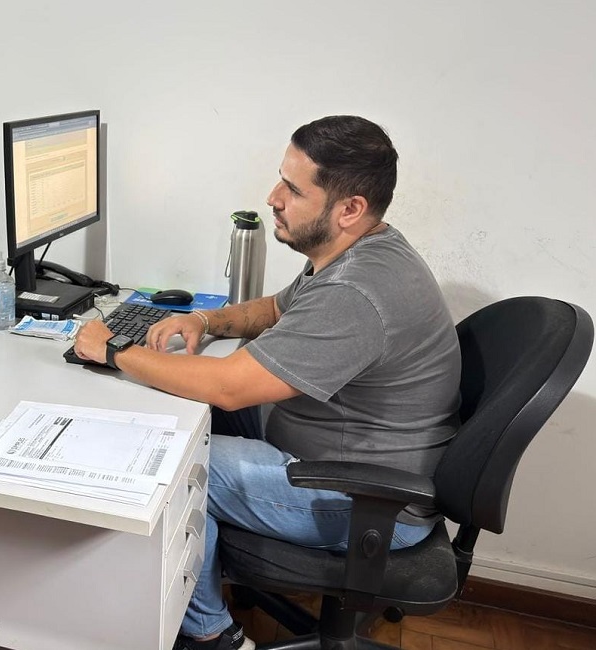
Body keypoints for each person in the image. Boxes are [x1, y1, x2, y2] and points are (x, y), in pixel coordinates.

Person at [73, 115, 461, 650]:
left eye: (294, 190)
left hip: (365, 501)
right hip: (337, 454)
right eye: (281, 179)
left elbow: (229, 386)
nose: (273, 198)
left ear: (350, 209)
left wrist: (114, 350)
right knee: (175, 417)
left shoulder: (356, 292)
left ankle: (211, 634)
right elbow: (278, 309)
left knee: (170, 466)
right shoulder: (360, 249)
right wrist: (206, 320)